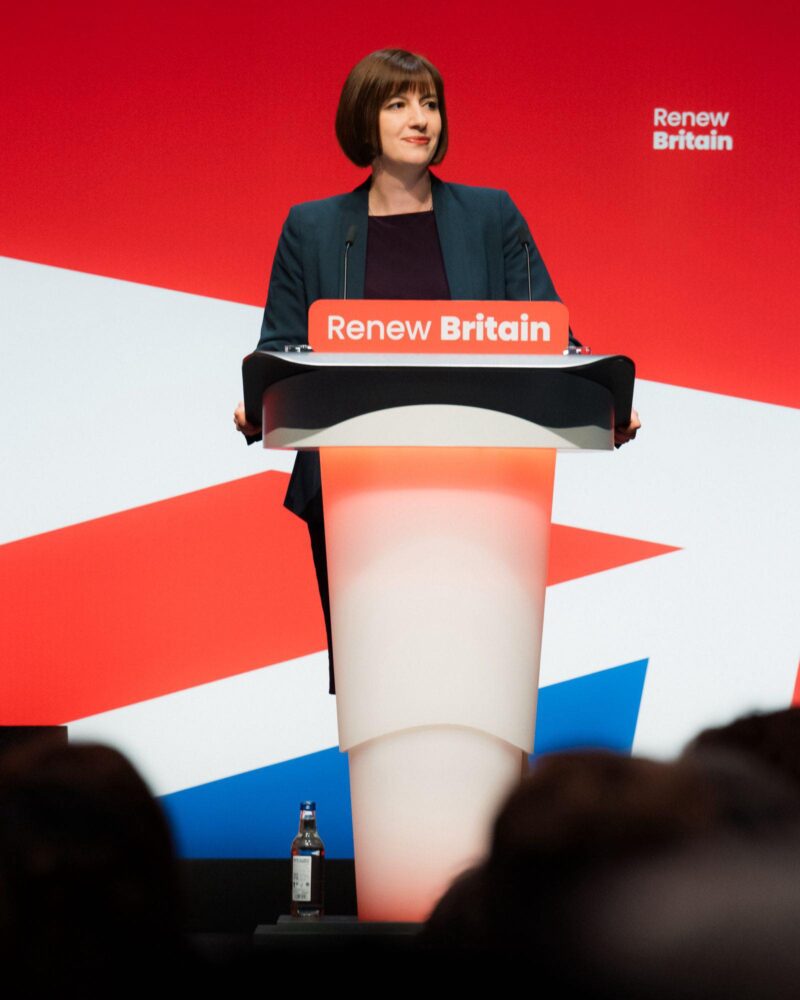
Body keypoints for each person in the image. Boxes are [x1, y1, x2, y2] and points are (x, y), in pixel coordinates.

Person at [234, 49, 641, 691]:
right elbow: (283, 346)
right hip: (354, 489)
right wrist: (262, 403)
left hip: (483, 485)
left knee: (478, 679)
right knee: (380, 684)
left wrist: (598, 399)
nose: (419, 118)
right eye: (398, 104)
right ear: (364, 122)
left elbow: (546, 333)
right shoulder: (313, 228)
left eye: (429, 103)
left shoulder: (490, 215)